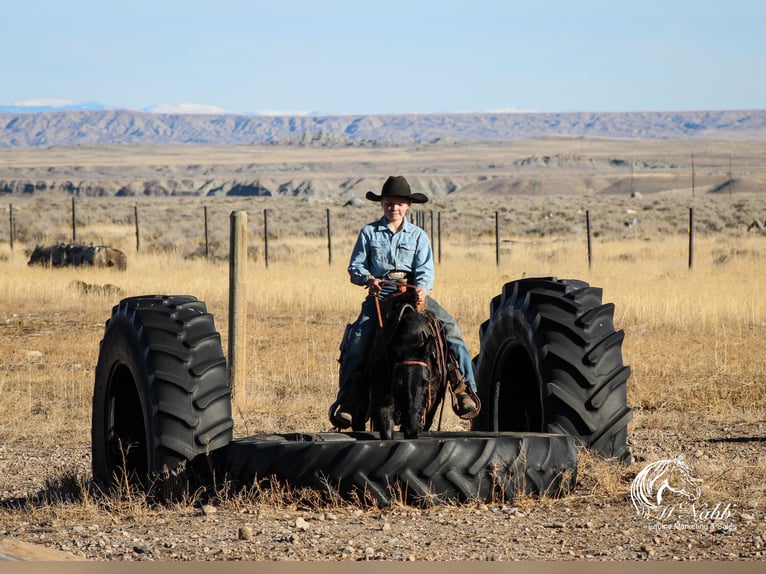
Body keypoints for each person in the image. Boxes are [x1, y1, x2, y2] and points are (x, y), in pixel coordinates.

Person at [329, 175, 478, 429]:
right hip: (381, 296)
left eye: (398, 203)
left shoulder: (418, 236)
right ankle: (350, 400)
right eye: (388, 203)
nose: (393, 208)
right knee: (357, 339)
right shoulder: (369, 232)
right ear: (382, 204)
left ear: (407, 206)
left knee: (451, 330)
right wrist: (368, 279)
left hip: (413, 294)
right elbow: (355, 266)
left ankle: (463, 389)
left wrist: (422, 289)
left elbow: (425, 269)